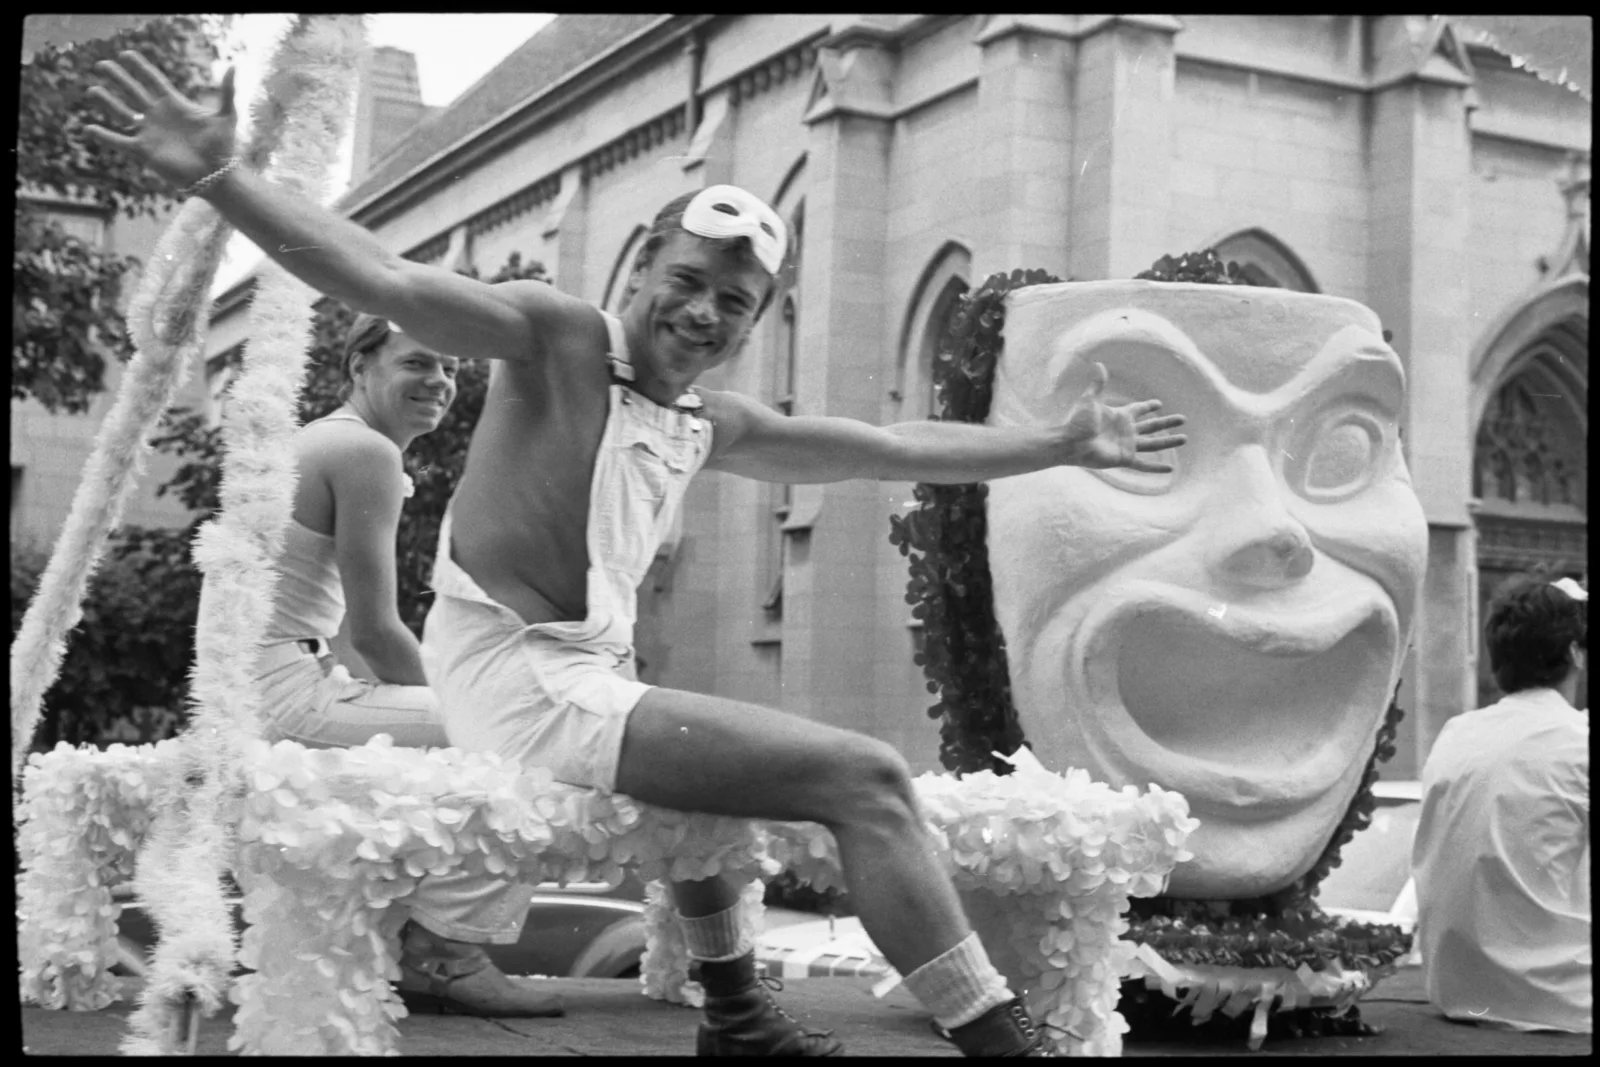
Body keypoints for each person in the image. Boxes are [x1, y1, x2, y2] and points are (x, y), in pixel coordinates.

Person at [88, 54, 1187, 1056]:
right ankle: (1001, 1041)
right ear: (640, 268)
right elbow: (387, 282)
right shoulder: (554, 336)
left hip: (582, 680)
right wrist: (222, 178)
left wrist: (1060, 443)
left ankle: (737, 1012)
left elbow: (889, 445)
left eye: (733, 302)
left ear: (755, 321)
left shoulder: (711, 421)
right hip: (516, 679)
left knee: (719, 756)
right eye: (687, 279)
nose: (703, 312)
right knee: (865, 775)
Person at [200, 316, 564, 1018]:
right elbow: (374, 630)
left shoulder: (322, 441)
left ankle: (407, 942)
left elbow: (338, 628)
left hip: (259, 692)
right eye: (417, 363)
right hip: (285, 694)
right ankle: (447, 956)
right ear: (359, 366)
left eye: (451, 368)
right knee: (527, 736)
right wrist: (467, 702)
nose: (440, 382)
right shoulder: (363, 450)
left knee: (475, 732)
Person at [1411, 574, 1590, 1034]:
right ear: (1574, 653)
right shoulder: (1577, 740)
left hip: (1458, 994)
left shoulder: (1456, 734)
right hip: (1565, 1003)